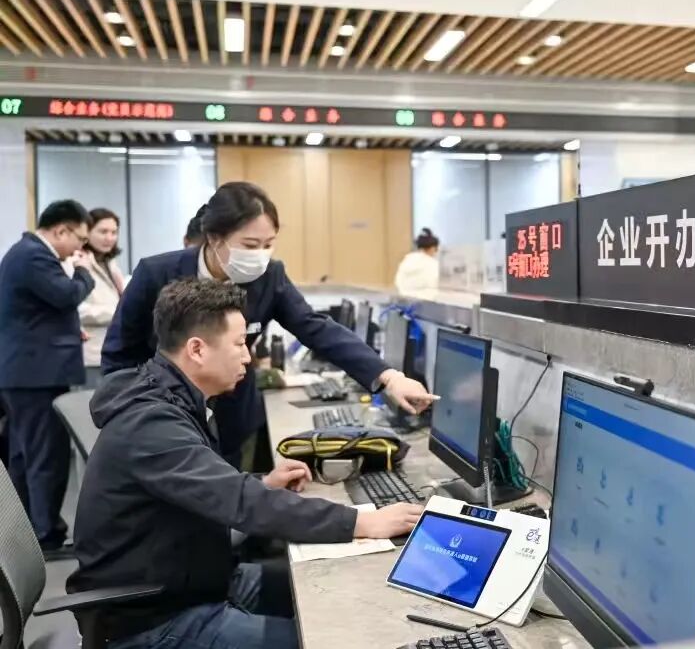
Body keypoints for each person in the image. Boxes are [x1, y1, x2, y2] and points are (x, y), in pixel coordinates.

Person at [68, 278, 422, 648]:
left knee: (343, 594)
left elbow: (212, 487)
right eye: (239, 344)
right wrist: (363, 522)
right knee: (336, 641)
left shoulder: (174, 398)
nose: (247, 357)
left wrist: (263, 484)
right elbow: (242, 503)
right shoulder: (151, 424)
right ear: (197, 349)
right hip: (153, 617)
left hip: (196, 578)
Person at [103, 181, 434, 467]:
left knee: (231, 499)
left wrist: (389, 378)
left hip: (232, 413)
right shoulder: (155, 274)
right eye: (250, 246)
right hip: (162, 417)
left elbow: (315, 327)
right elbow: (119, 356)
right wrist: (138, 416)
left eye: (268, 244)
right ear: (214, 238)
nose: (260, 255)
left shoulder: (269, 276)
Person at [0, 199, 95, 553]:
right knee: (45, 455)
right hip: (36, 375)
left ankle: (29, 529)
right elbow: (66, 295)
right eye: (79, 239)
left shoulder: (23, 254)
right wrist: (83, 272)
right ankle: (46, 533)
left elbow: (34, 314)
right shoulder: (34, 256)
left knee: (25, 455)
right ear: (61, 230)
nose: (79, 248)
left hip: (25, 372)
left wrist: (66, 330)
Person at [79, 208, 126, 377]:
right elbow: (77, 309)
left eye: (114, 232)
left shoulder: (110, 263)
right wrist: (118, 312)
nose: (109, 238)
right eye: (103, 232)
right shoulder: (77, 261)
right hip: (91, 352)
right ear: (87, 232)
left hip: (114, 351)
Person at [394, 227, 441, 298]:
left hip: (405, 299)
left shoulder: (407, 260)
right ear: (432, 248)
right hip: (425, 301)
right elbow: (433, 284)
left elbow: (398, 281)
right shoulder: (432, 263)